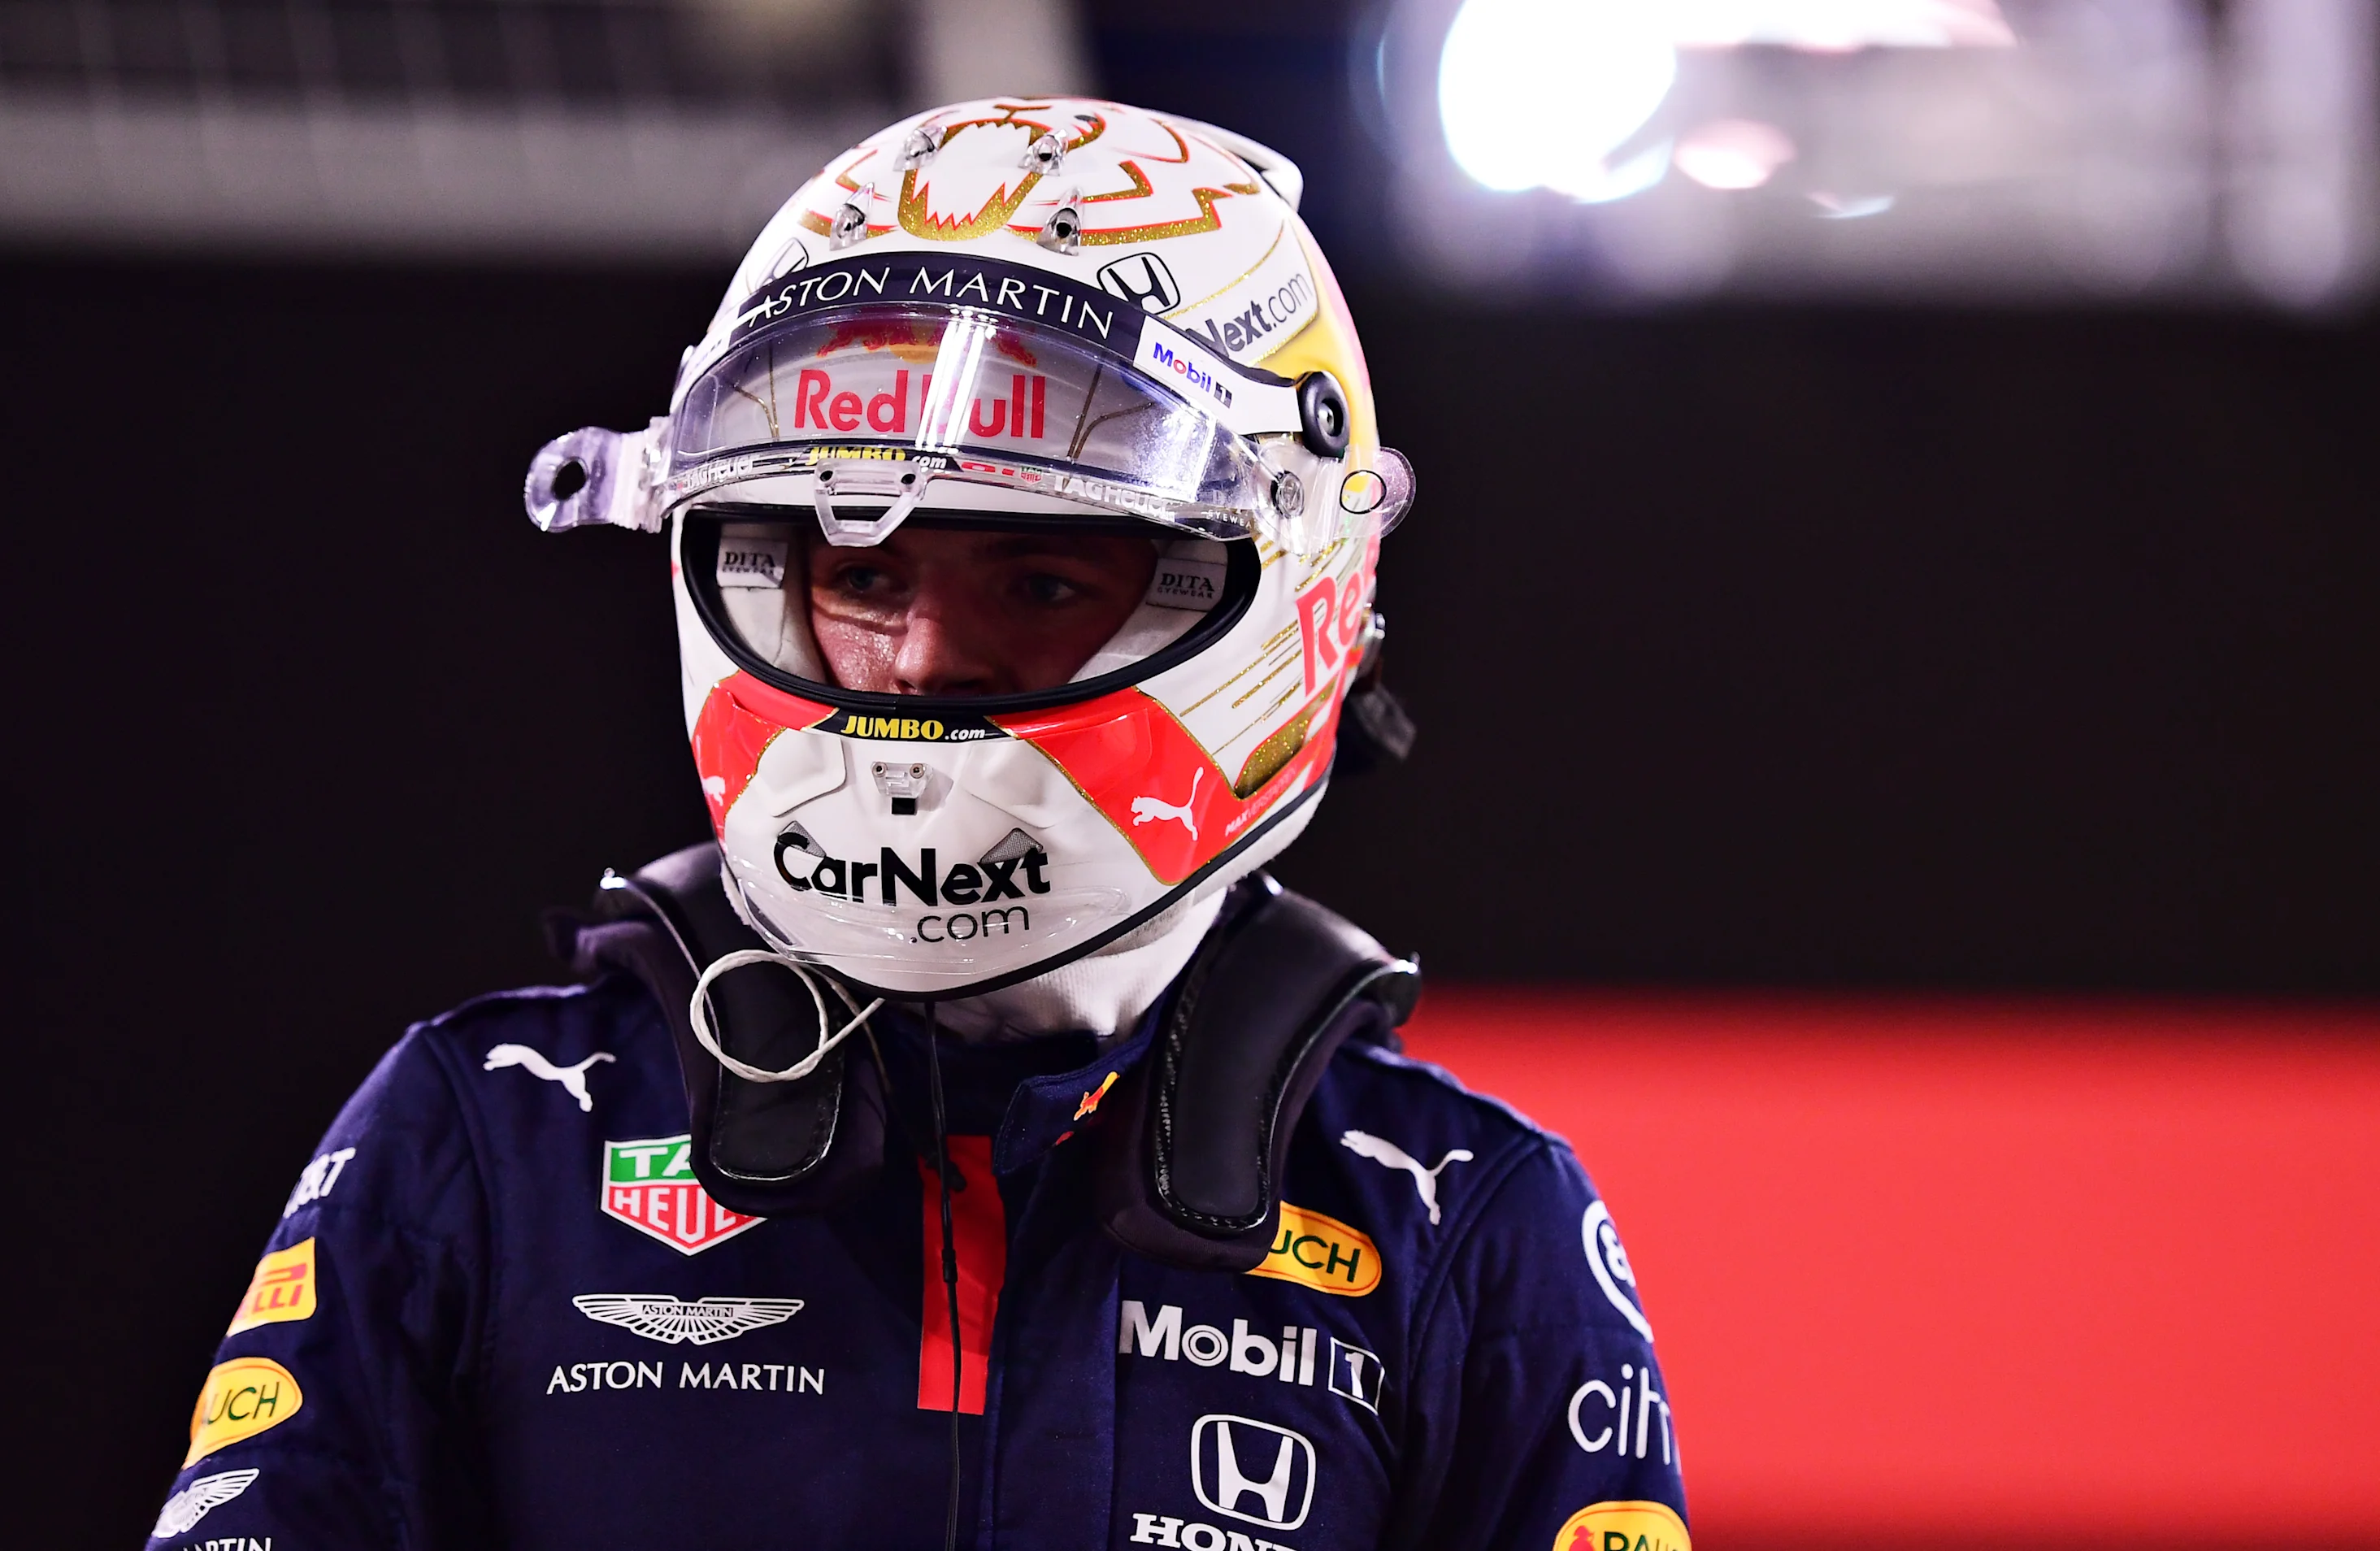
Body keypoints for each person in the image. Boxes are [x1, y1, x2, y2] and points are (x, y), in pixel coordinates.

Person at [145, 98, 1689, 1551]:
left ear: (1294, 597)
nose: (926, 659)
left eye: (1041, 580)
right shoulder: (489, 1133)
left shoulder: (1462, 1215)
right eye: (864, 577)